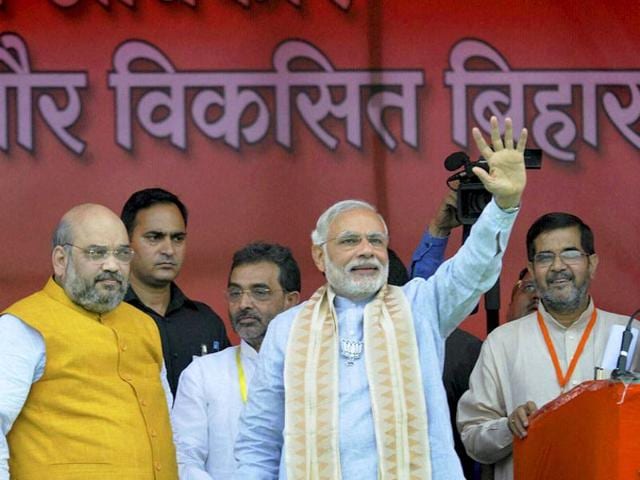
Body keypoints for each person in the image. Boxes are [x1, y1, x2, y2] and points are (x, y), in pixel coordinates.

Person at [234, 116, 528, 479]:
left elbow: (472, 270)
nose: (366, 251)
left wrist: (504, 206)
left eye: (376, 241)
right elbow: (259, 442)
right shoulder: (286, 329)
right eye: (349, 241)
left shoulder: (419, 307)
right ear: (319, 256)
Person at [0, 204, 177, 480]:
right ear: (61, 259)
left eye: (121, 254)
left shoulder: (145, 325)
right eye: (97, 253)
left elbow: (167, 424)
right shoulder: (22, 326)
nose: (112, 265)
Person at [457, 212, 637, 480]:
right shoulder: (502, 342)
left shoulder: (631, 335)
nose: (557, 266)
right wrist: (509, 427)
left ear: (592, 264)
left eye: (571, 254)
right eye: (544, 257)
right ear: (531, 270)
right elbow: (472, 438)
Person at [171, 243, 301, 479]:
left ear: (291, 301)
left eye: (260, 292)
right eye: (235, 293)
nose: (244, 304)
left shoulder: (319, 369)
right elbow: (183, 459)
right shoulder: (203, 374)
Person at [121, 188, 230, 395]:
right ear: (126, 243)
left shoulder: (206, 322)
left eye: (178, 238)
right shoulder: (105, 319)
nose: (169, 250)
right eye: (154, 237)